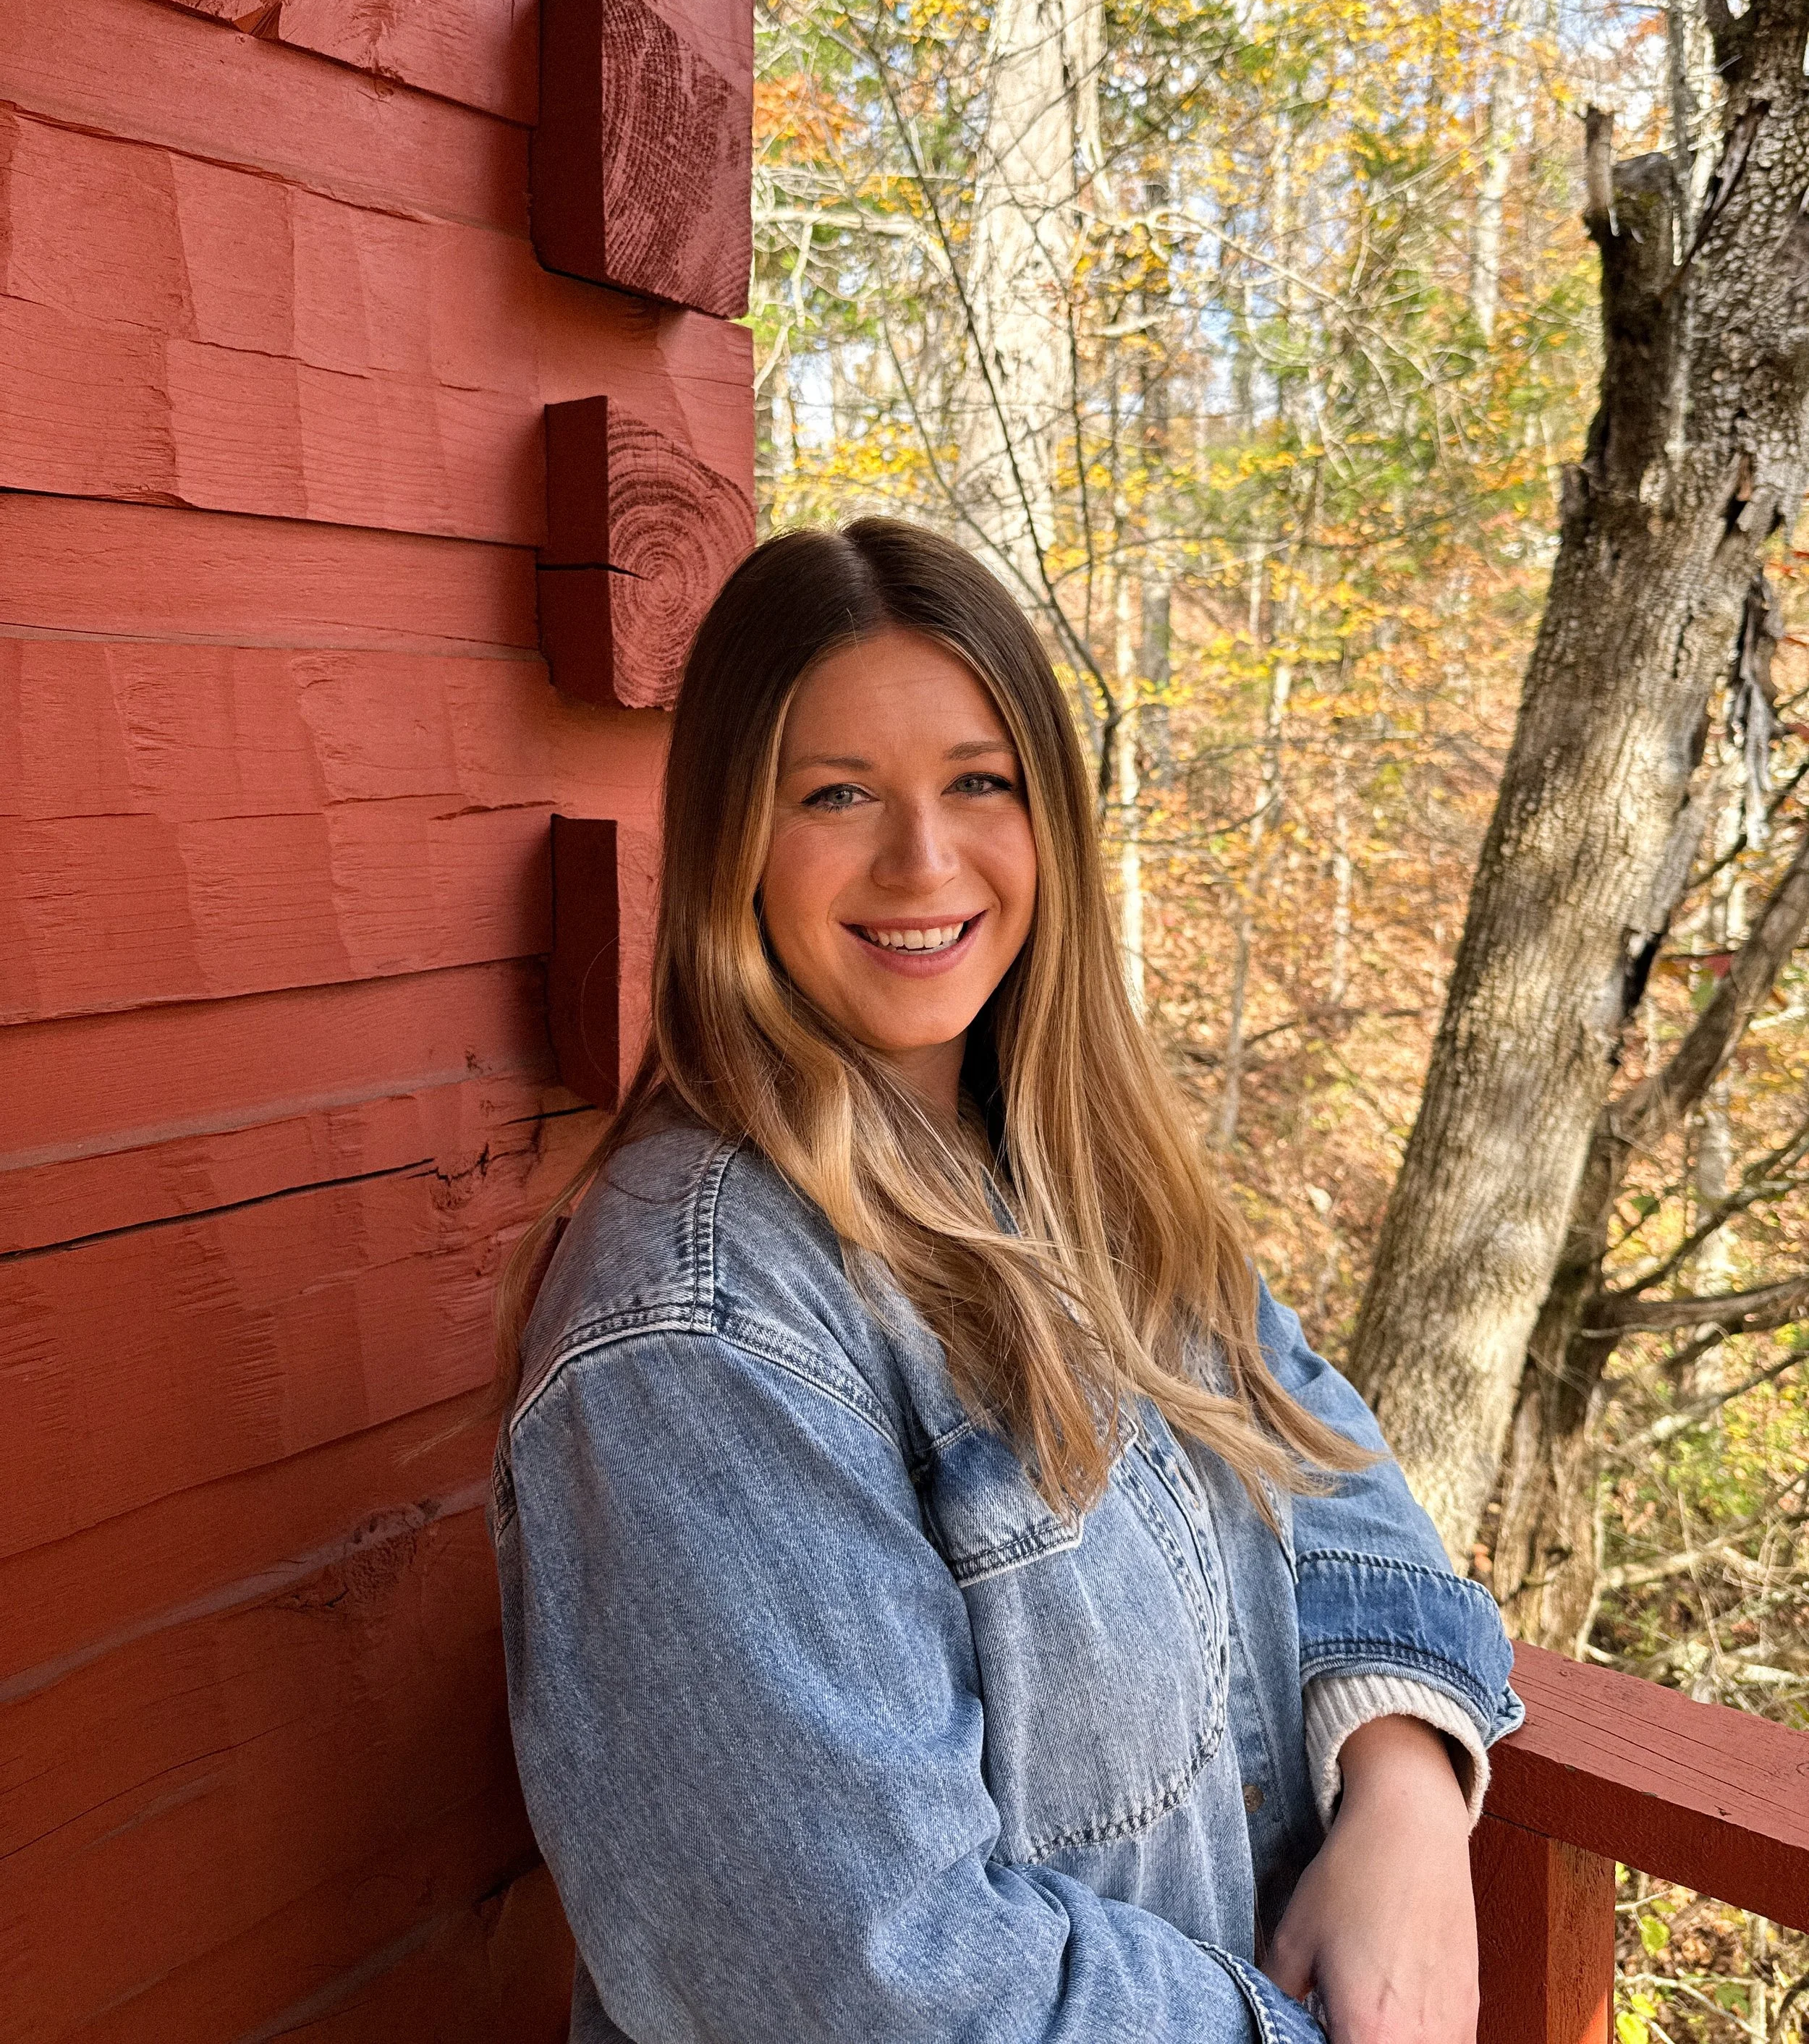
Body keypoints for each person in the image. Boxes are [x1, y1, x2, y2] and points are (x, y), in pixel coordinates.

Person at [491, 520, 1520, 2044]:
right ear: (733, 847)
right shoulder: (699, 1335)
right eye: (835, 795)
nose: (924, 860)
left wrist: (1403, 1780)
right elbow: (881, 1985)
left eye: (978, 783)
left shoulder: (1073, 1174)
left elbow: (1321, 1454)